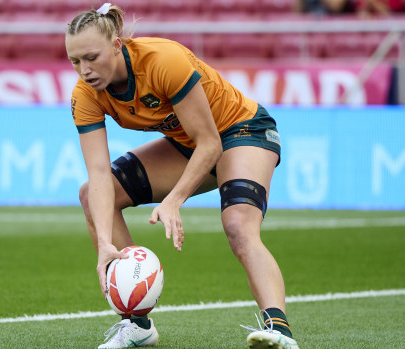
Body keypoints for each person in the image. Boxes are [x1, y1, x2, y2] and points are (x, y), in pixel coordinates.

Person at [65, 3, 298, 349]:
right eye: (75, 61)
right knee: (92, 195)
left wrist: (175, 199)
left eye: (91, 57)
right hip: (187, 144)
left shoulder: (162, 60)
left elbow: (210, 144)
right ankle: (137, 323)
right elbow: (99, 174)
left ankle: (280, 331)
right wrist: (103, 244)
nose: (85, 70)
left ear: (116, 46)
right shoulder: (86, 94)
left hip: (242, 130)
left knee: (238, 224)